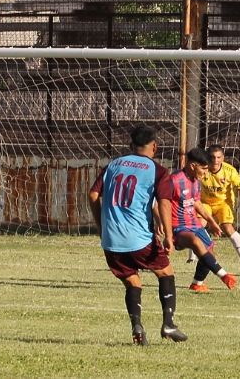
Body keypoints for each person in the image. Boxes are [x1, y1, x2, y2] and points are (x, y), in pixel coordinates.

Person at [88, 124, 187, 345]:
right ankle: (168, 324)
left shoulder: (113, 165)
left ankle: (137, 328)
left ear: (131, 145)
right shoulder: (157, 170)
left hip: (111, 240)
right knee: (166, 273)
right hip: (139, 238)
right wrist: (169, 235)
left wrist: (100, 226)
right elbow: (164, 202)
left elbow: (93, 194)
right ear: (155, 147)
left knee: (132, 281)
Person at [158, 147, 238, 293]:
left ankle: (197, 283)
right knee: (196, 242)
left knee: (209, 250)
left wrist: (212, 222)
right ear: (193, 166)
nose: (206, 172)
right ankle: (224, 275)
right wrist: (161, 224)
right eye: (204, 168)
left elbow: (197, 203)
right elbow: (159, 202)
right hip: (179, 226)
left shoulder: (196, 180)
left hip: (194, 224)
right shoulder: (174, 180)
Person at [190, 144, 240, 265]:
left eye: (218, 157)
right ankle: (192, 257)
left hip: (223, 203)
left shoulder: (229, 171)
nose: (215, 160)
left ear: (223, 158)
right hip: (205, 203)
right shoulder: (202, 169)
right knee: (199, 224)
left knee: (228, 228)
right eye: (212, 157)